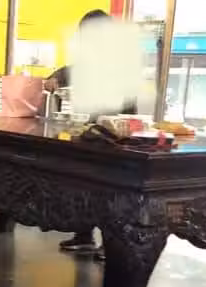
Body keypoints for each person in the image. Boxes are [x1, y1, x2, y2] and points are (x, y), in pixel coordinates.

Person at [44, 9, 137, 258]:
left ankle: (112, 244)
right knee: (85, 183)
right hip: (94, 130)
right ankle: (84, 235)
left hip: (116, 132)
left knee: (111, 190)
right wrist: (56, 77)